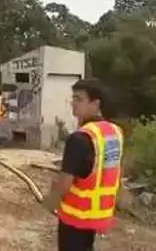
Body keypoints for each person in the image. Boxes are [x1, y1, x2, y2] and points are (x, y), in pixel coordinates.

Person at [41, 78, 124, 251]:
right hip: (99, 215)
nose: (73, 103)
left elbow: (65, 183)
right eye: (73, 98)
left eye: (79, 99)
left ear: (96, 104)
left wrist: (50, 202)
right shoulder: (114, 132)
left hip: (76, 217)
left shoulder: (79, 138)